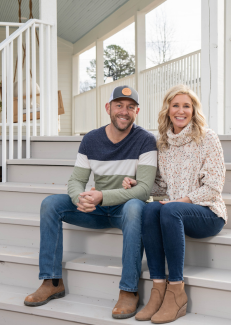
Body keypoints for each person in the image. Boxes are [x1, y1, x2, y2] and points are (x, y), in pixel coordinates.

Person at [24, 85, 157, 319]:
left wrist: (102, 196)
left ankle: (129, 290)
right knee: (51, 204)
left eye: (130, 107)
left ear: (137, 111)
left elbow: (144, 190)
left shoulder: (145, 140)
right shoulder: (91, 139)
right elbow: (76, 180)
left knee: (137, 207)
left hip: (124, 211)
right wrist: (80, 199)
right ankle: (52, 281)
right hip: (95, 209)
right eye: (119, 105)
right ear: (108, 108)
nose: (124, 111)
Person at [122, 84, 227, 324]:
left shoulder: (207, 137)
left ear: (194, 110)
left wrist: (180, 201)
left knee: (168, 209)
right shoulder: (163, 143)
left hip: (207, 213)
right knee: (150, 208)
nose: (181, 111)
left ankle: (177, 291)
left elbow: (214, 186)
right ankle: (158, 288)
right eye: (176, 105)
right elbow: (159, 187)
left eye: (186, 106)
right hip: (174, 212)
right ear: (168, 110)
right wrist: (137, 183)